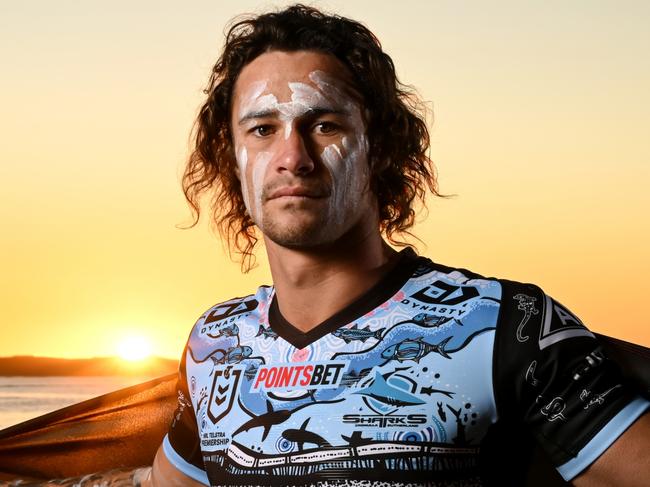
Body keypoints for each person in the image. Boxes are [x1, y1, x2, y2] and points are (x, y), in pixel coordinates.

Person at [144, 5, 650, 486]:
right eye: (262, 129)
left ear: (379, 148)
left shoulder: (503, 327)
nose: (292, 157)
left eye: (324, 126)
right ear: (230, 156)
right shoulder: (216, 344)